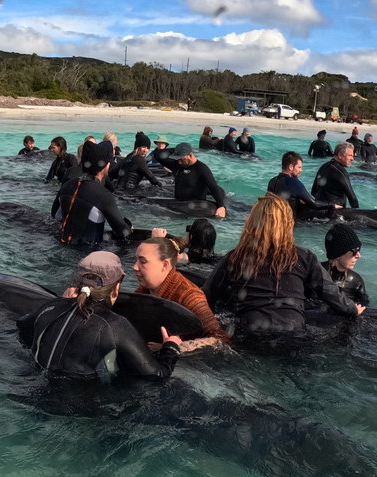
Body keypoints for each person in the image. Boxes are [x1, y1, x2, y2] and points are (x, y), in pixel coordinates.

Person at [203, 194, 364, 335]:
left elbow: (206, 295)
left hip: (250, 331)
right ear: (288, 224)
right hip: (292, 331)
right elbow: (330, 293)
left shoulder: (236, 256)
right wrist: (352, 309)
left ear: (252, 223)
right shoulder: (304, 256)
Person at [17, 251, 183, 381]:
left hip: (33, 388)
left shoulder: (50, 307)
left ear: (79, 281)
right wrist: (171, 348)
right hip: (75, 411)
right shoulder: (116, 326)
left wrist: (60, 302)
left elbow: (22, 328)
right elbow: (156, 375)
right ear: (117, 287)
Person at [133, 236, 229, 350]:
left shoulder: (189, 295)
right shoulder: (143, 291)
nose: (134, 267)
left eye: (143, 261)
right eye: (136, 260)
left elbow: (220, 339)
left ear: (165, 265)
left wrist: (175, 347)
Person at [51, 139, 133, 246]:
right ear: (105, 166)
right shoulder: (104, 195)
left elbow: (55, 215)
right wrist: (128, 226)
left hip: (61, 243)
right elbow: (123, 232)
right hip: (88, 253)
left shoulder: (67, 185)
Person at [159, 142, 228, 218]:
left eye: (181, 159)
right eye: (178, 159)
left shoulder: (201, 168)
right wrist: (176, 150)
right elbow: (158, 155)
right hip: (179, 203)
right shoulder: (177, 165)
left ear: (190, 155)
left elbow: (214, 187)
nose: (179, 161)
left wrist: (221, 206)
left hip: (195, 206)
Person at [267, 151, 340, 219]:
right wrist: (332, 205)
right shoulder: (293, 182)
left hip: (275, 219)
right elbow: (314, 204)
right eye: (299, 167)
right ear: (291, 167)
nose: (301, 170)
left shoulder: (272, 181)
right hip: (290, 221)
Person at [322, 224, 369, 306]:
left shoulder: (356, 280)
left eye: (359, 250)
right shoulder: (315, 273)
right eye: (354, 251)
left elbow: (363, 305)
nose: (358, 255)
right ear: (338, 254)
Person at [311, 142, 359, 208]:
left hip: (320, 209)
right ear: (340, 155)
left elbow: (313, 192)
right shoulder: (341, 172)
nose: (352, 159)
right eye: (350, 155)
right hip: (336, 213)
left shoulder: (324, 167)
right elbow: (352, 198)